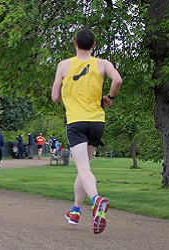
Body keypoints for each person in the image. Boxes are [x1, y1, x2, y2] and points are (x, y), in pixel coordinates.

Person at [52, 28, 122, 234]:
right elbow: (117, 80)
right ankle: (75, 211)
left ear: (75, 43)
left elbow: (55, 97)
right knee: (84, 169)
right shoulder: (103, 64)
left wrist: (64, 87)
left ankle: (96, 200)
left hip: (76, 121)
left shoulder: (64, 65)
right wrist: (109, 97)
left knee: (83, 168)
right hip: (97, 121)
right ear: (93, 46)